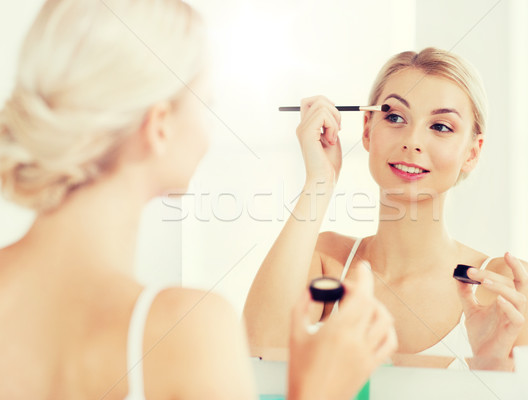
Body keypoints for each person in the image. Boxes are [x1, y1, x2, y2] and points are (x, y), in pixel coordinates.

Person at [0, 1, 397, 399]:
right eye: (206, 104)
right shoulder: (186, 332)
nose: (209, 126)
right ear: (158, 127)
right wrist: (320, 389)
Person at [244, 48, 528, 370]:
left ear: (472, 152)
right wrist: (320, 180)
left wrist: (489, 363)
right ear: (367, 129)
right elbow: (259, 349)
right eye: (395, 117)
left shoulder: (503, 285)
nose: (412, 141)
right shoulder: (326, 262)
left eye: (441, 126)